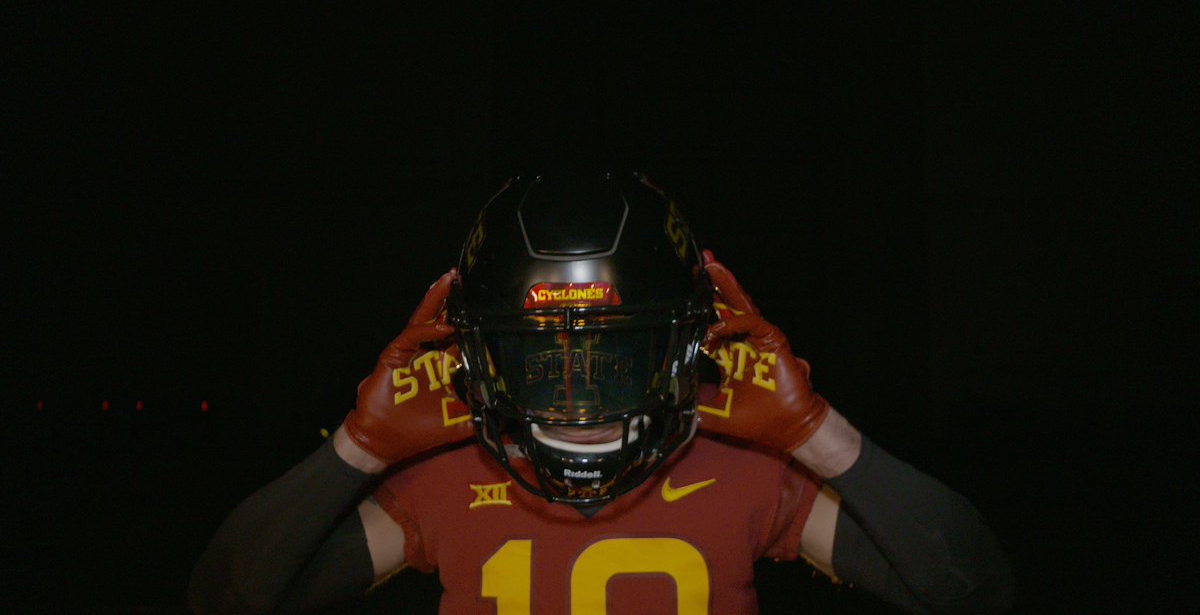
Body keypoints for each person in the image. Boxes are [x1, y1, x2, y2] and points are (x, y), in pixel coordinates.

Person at [189, 173, 1015, 614]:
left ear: (685, 348)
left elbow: (973, 589)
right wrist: (358, 447)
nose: (578, 399)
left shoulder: (748, 468)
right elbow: (226, 596)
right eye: (541, 360)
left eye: (614, 359)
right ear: (476, 358)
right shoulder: (443, 476)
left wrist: (815, 432)